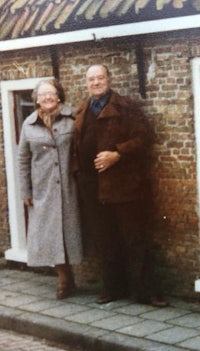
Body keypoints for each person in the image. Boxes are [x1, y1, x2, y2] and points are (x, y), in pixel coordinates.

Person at [74, 64, 167, 306]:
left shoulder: (126, 107)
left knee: (135, 239)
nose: (96, 82)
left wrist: (117, 154)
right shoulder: (82, 111)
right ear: (86, 83)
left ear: (109, 79)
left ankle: (147, 292)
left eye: (100, 78)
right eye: (91, 79)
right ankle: (113, 289)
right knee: (105, 240)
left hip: (124, 186)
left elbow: (145, 137)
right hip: (93, 188)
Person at [18, 78, 83, 300]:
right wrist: (25, 191)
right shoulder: (28, 124)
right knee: (51, 233)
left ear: (59, 96)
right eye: (42, 94)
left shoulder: (73, 117)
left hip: (70, 186)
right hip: (43, 188)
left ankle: (81, 278)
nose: (47, 98)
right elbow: (23, 159)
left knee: (73, 230)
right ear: (36, 98)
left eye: (51, 93)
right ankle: (64, 280)